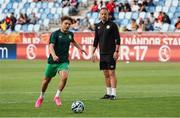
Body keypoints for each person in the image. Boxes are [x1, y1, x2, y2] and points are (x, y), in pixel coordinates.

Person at [35, 16, 86, 108]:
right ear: (61, 24)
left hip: (63, 61)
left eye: (69, 24)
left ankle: (57, 96)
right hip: (52, 61)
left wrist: (80, 48)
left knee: (65, 77)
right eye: (65, 23)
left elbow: (73, 42)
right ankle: (41, 97)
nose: (67, 25)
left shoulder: (70, 34)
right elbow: (51, 46)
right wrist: (54, 55)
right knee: (46, 81)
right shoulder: (55, 34)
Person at [91, 8, 120, 100]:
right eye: (102, 14)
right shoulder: (98, 26)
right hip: (102, 53)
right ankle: (108, 93)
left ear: (108, 15)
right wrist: (92, 52)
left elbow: (118, 39)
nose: (103, 15)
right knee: (105, 74)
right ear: (99, 15)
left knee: (112, 73)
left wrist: (116, 51)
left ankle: (114, 94)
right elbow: (96, 40)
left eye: (105, 14)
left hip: (111, 53)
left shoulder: (113, 25)